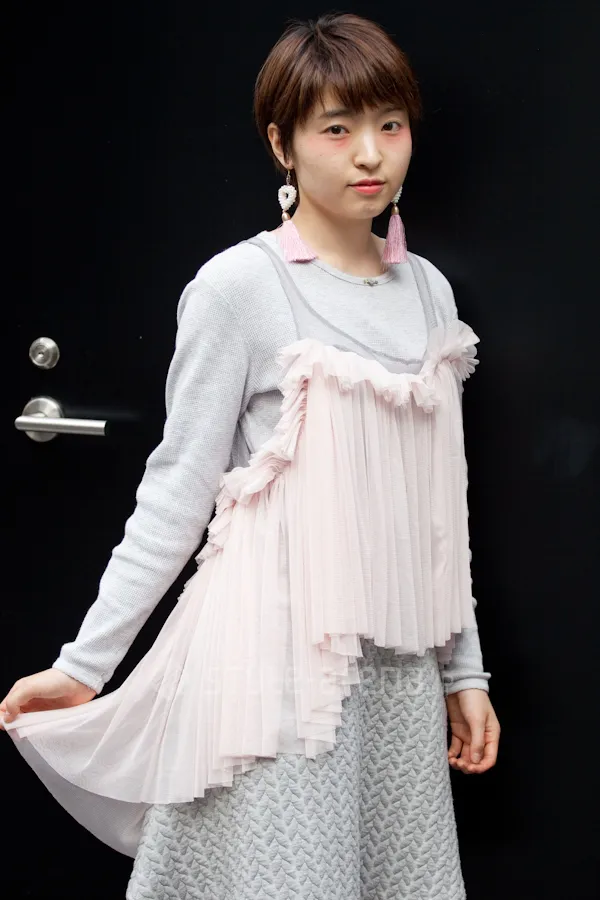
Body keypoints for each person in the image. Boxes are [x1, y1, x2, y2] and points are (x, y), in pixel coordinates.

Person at [1, 12, 500, 899]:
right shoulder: (239, 288)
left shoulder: (429, 291)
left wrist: (463, 671)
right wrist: (84, 666)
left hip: (396, 673)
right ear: (282, 144)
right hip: (273, 668)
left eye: (390, 125)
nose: (371, 155)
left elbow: (436, 507)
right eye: (337, 128)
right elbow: (176, 491)